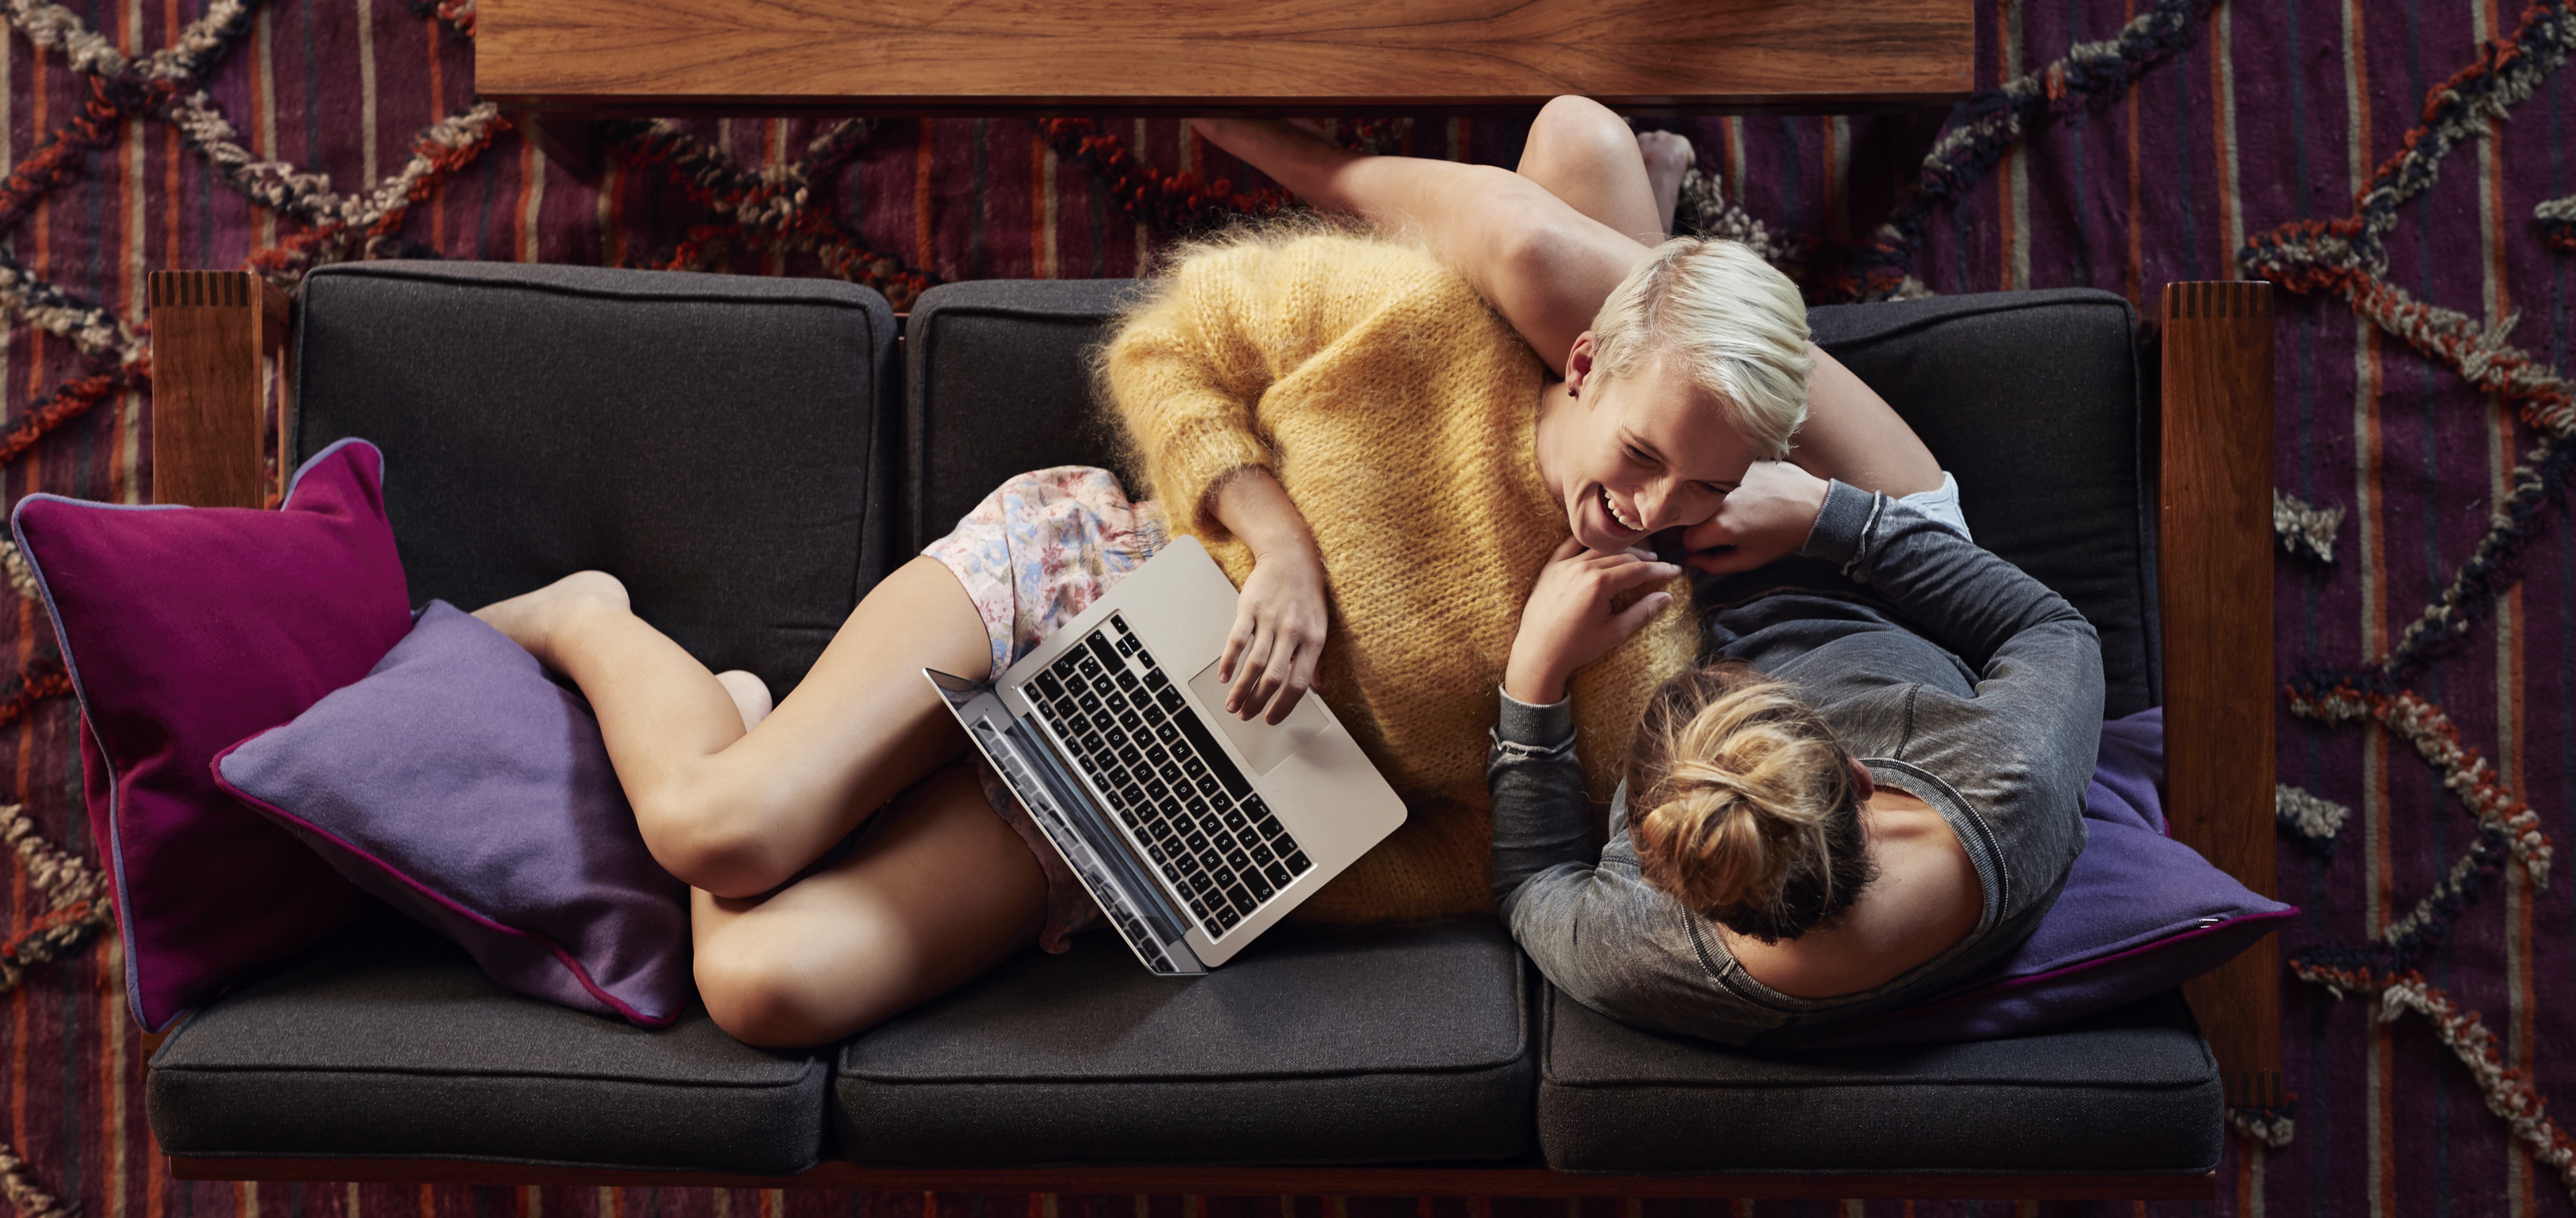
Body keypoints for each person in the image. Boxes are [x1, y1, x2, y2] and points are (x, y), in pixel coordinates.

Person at [473, 98, 1937, 1048]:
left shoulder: (1634, 648)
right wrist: (1280, 548)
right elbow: (1167, 346)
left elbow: (1477, 864)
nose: (1657, 508)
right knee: (720, 836)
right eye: (1642, 454)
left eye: (1707, 485)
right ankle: (591, 622)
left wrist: (1289, 856)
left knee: (761, 990)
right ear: (1582, 357)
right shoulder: (1420, 322)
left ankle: (738, 705)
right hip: (1081, 579)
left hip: (1143, 810)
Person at [1485, 460, 2102, 1047]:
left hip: (1670, 587)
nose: (1733, 663)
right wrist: (1824, 511)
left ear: (1661, 862)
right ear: (1857, 778)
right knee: (1717, 367)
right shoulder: (2009, 779)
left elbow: (1533, 886)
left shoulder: (1643, 957)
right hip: (1852, 560)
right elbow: (2051, 629)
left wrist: (1534, 669)